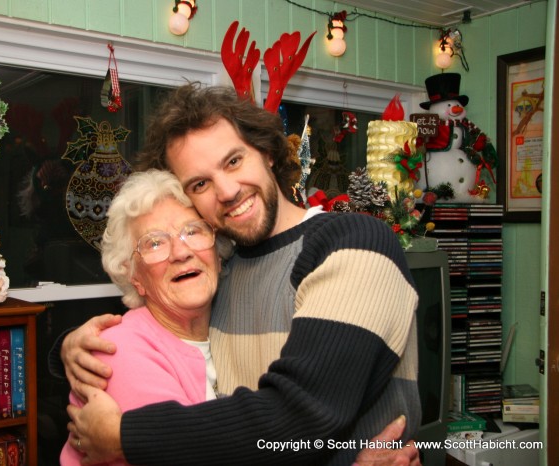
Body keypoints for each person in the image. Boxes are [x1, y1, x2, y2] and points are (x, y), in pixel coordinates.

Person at [60, 83, 422, 465]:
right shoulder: (225, 269)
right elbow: (161, 332)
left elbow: (302, 415)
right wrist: (72, 347)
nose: (228, 190)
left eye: (233, 161)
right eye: (200, 183)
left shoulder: (352, 242)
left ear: (266, 151)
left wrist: (125, 436)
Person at [60, 169, 231, 465]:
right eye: (155, 243)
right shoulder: (118, 351)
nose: (180, 252)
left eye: (192, 231)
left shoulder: (235, 324)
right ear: (134, 276)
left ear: (217, 253)